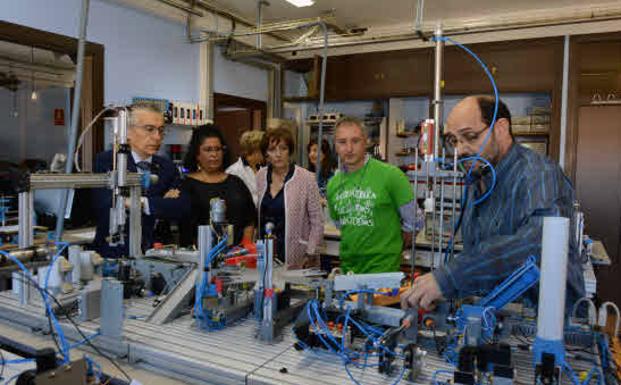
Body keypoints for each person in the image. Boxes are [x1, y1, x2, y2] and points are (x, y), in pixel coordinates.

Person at [401, 95, 585, 310]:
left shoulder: (538, 174)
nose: (460, 150)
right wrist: (448, 290)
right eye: (453, 141)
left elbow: (538, 244)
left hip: (547, 318)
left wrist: (450, 278)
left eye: (469, 136)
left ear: (501, 128)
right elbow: (483, 256)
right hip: (499, 315)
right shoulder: (478, 179)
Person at [92, 103, 188, 258]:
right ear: (128, 131)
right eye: (149, 129)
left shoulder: (166, 167)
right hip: (116, 252)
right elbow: (107, 204)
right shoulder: (109, 161)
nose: (157, 137)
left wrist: (141, 203)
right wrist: (159, 203)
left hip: (158, 252)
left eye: (161, 130)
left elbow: (181, 207)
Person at [327, 116, 421, 274]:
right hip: (348, 271)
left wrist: (392, 248)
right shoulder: (333, 185)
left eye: (355, 141)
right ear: (335, 146)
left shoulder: (391, 175)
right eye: (342, 142)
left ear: (366, 142)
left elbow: (415, 222)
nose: (349, 148)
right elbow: (341, 225)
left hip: (383, 272)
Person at [257, 125, 324, 269]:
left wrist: (311, 253)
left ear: (290, 151)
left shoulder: (306, 178)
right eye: (272, 150)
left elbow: (317, 221)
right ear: (266, 154)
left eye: (283, 148)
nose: (278, 154)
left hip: (298, 256)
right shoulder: (260, 176)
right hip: (266, 253)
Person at [180, 125, 255, 247]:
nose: (214, 154)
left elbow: (249, 220)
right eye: (208, 150)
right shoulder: (186, 185)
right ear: (197, 154)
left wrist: (245, 248)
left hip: (236, 257)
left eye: (218, 149)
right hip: (198, 256)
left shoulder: (236, 183)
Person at [226, 130, 264, 205]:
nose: (266, 152)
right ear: (255, 149)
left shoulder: (262, 169)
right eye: (263, 149)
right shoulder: (233, 171)